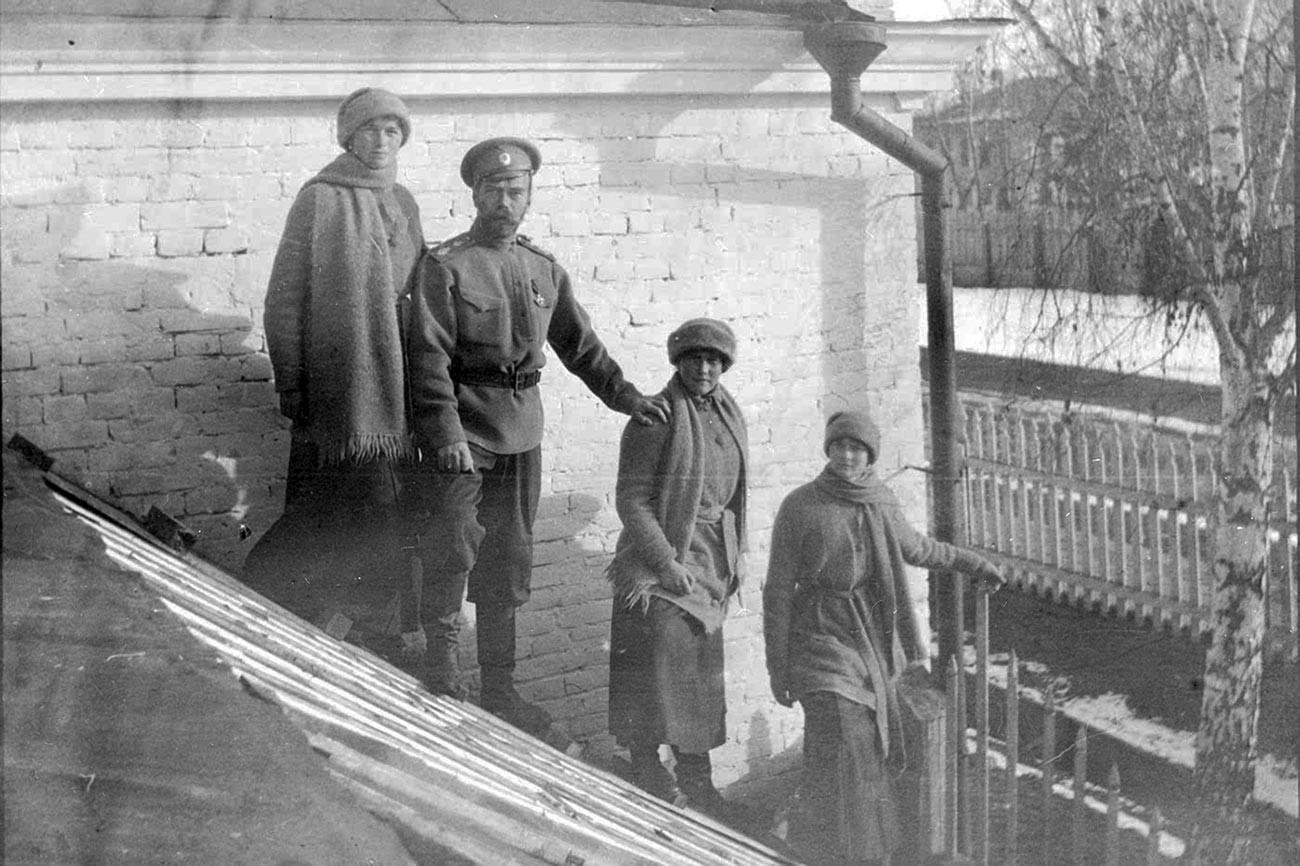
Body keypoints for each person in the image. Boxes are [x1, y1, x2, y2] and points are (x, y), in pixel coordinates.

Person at [404, 137, 669, 734]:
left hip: (521, 429)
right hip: (465, 429)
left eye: (515, 190)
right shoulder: (445, 266)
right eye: (493, 189)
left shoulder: (543, 269)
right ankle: (443, 666)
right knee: (453, 542)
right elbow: (427, 358)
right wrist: (444, 432)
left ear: (529, 196)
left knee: (509, 557)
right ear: (475, 193)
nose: (505, 199)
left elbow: (581, 347)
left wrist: (629, 400)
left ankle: (501, 685)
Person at [763, 409, 1006, 866]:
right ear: (828, 449)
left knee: (846, 750)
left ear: (870, 455)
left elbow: (918, 549)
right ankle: (863, 855)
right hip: (818, 633)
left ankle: (817, 846)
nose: (847, 456)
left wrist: (973, 563)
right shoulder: (800, 506)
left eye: (857, 448)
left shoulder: (881, 501)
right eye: (839, 446)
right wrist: (778, 667)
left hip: (867, 639)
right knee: (846, 735)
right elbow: (777, 590)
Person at [244, 88, 424, 670]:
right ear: (349, 138)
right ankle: (276, 598)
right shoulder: (319, 199)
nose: (381, 141)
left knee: (364, 511)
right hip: (337, 392)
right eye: (370, 131)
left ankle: (337, 628)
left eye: (392, 132)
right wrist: (293, 386)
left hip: (396, 395)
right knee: (341, 507)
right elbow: (284, 298)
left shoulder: (405, 203)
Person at [605, 318, 748, 820]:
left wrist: (739, 549)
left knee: (702, 675)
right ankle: (646, 764)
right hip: (661, 557)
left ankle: (698, 780)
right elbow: (632, 499)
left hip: (712, 558)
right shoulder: (657, 418)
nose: (705, 368)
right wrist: (665, 562)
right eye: (695, 359)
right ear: (678, 363)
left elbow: (737, 494)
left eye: (714, 361)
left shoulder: (729, 415)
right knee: (659, 658)